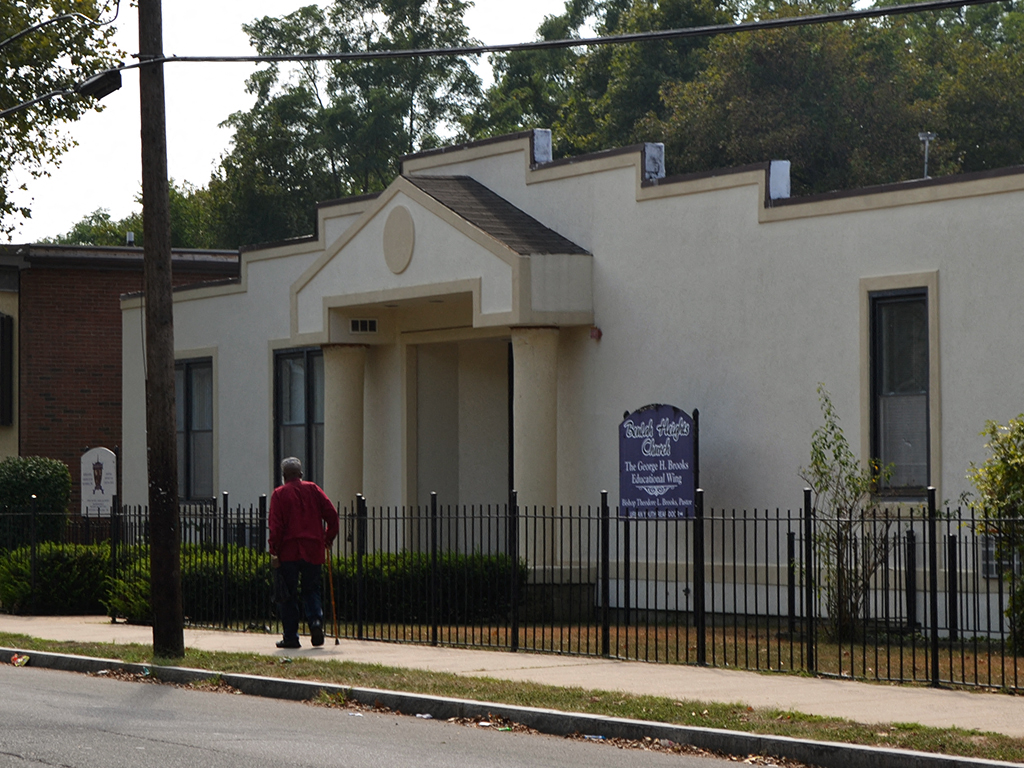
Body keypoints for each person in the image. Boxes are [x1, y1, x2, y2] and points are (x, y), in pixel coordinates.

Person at [269, 457, 339, 649]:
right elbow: (332, 516)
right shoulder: (314, 490)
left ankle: (291, 636)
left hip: (289, 551)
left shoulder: (279, 494)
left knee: (288, 594)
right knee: (312, 589)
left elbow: (276, 527)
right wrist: (327, 538)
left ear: (284, 476)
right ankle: (316, 621)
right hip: (313, 549)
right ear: (300, 474)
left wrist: (273, 549)